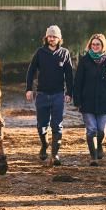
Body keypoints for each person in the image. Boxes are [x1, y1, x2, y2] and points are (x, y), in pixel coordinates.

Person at [25, 25, 73, 166]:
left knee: (57, 125)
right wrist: (29, 89)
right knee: (41, 125)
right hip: (42, 94)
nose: (51, 39)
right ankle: (45, 144)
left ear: (59, 39)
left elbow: (69, 75)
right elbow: (31, 71)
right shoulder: (40, 52)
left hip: (58, 94)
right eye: (49, 36)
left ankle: (55, 154)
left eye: (54, 36)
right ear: (46, 38)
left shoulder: (65, 53)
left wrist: (69, 92)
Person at [72, 33, 106, 166]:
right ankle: (93, 157)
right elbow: (78, 82)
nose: (95, 46)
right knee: (91, 130)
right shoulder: (85, 60)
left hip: (104, 102)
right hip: (87, 102)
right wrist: (76, 100)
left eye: (97, 44)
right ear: (90, 45)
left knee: (102, 131)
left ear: (102, 45)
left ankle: (99, 145)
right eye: (93, 44)